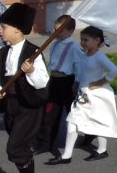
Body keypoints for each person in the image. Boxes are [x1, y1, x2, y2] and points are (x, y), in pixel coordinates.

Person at [47, 26, 117, 164]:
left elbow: (114, 70)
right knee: (72, 119)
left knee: (98, 120)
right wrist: (77, 82)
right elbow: (81, 71)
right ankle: (67, 155)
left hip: (97, 95)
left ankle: (102, 150)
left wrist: (101, 81)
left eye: (86, 40)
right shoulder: (84, 55)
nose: (83, 42)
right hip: (83, 94)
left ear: (97, 40)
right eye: (81, 39)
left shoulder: (99, 57)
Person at [0, 3, 47, 173]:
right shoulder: (0, 52)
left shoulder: (33, 52)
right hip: (10, 106)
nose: (0, 31)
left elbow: (42, 82)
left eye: (4, 27)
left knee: (15, 149)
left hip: (28, 107)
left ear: (17, 29)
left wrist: (31, 71)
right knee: (20, 149)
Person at [36, 15, 82, 156]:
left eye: (60, 31)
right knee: (49, 113)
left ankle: (89, 134)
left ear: (71, 31)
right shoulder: (54, 43)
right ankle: (46, 143)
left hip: (68, 82)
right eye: (55, 30)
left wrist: (77, 83)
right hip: (54, 81)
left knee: (74, 114)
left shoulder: (74, 47)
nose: (56, 34)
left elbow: (79, 67)